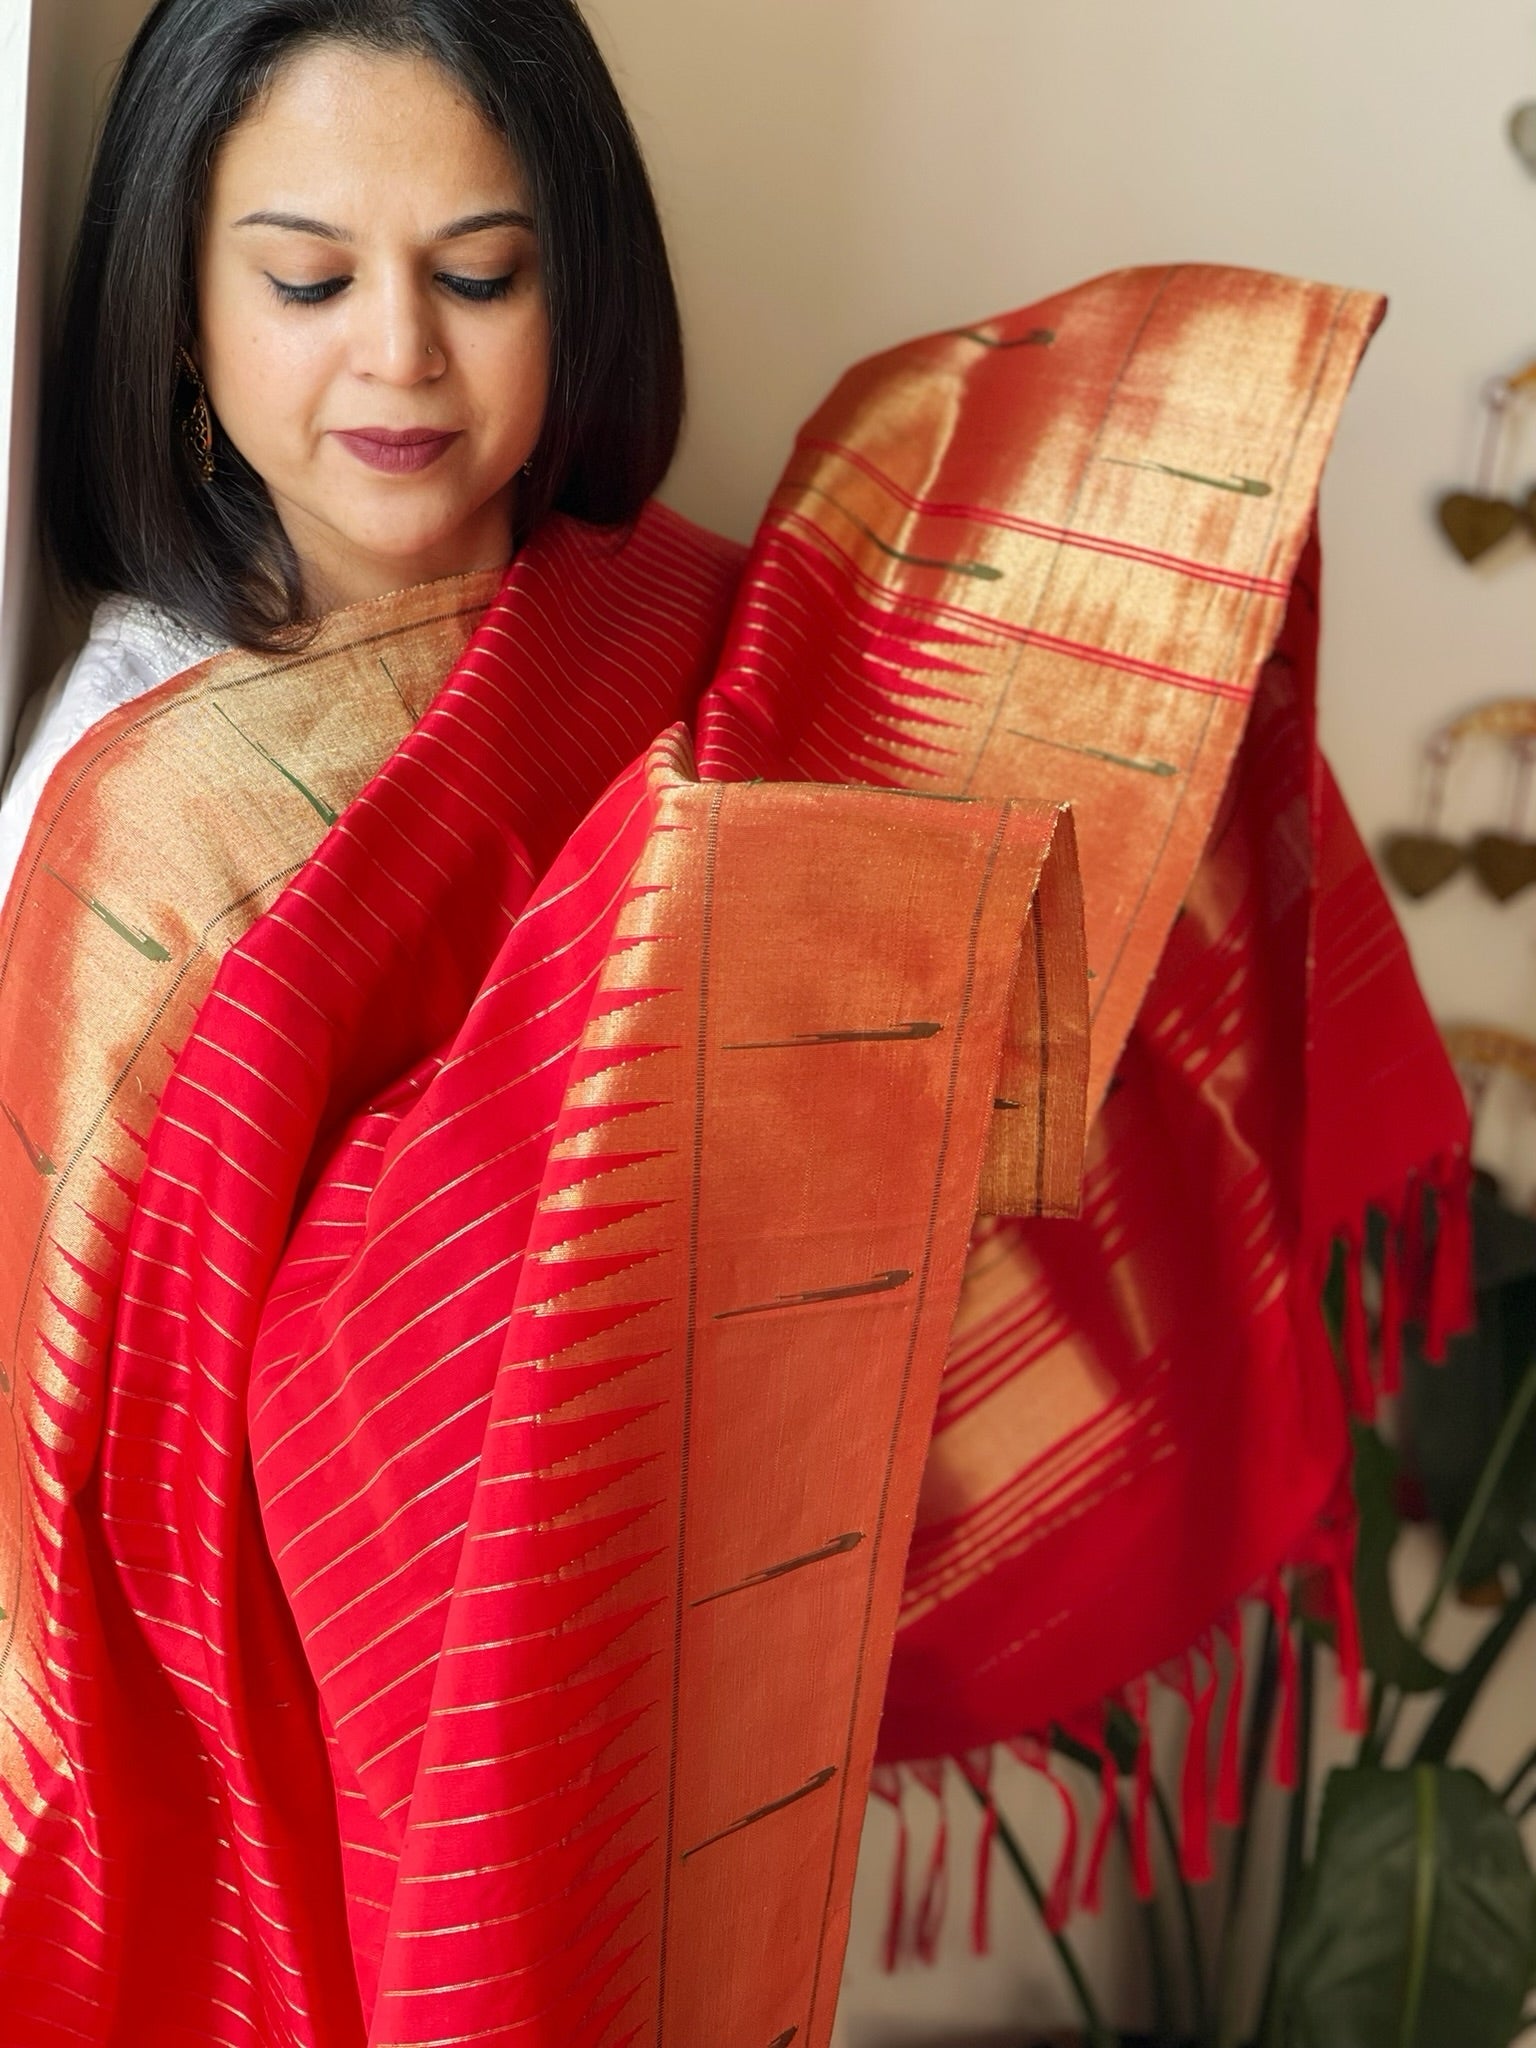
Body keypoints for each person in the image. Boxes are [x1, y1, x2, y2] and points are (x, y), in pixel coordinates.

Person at [0, 2, 1466, 2043]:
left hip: (676, 1658)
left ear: (577, 287)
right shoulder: (126, 797)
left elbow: (897, 1096)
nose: (402, 353)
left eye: (482, 273)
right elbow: (76, 1442)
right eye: (311, 277)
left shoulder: (693, 641)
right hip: (291, 1777)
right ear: (174, 311)